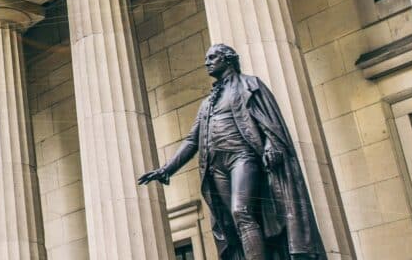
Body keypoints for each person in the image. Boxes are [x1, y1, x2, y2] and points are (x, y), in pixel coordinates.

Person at [138, 44, 325, 260]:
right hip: (215, 167)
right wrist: (167, 169)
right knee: (232, 224)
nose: (207, 62)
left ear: (228, 60)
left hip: (242, 157)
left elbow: (270, 123)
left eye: (212, 57)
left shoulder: (250, 85)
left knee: (241, 211)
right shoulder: (207, 104)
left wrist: (270, 144)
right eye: (206, 58)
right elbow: (192, 140)